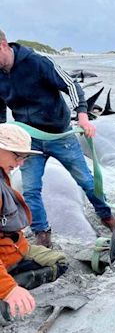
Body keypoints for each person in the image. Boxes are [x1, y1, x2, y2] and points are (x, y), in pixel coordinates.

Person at [0, 29, 115, 248]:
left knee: (87, 181)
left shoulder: (38, 62)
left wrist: (82, 115)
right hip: (28, 140)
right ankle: (42, 234)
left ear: (4, 45)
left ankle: (107, 216)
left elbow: (71, 86)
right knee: (31, 189)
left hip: (59, 135)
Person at [0, 124, 68, 319]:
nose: (21, 163)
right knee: (59, 263)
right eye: (17, 156)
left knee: (57, 259)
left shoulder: (2, 172)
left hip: (14, 247)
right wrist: (9, 289)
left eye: (25, 157)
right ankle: (10, 289)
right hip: (6, 255)